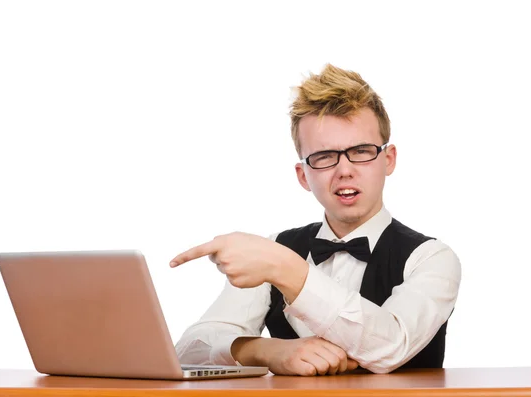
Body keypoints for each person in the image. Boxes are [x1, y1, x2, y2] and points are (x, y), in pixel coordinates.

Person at [169, 64, 461, 376]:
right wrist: (266, 350)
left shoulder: (432, 259)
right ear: (303, 175)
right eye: (324, 157)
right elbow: (189, 349)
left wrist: (285, 270)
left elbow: (390, 346)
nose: (345, 170)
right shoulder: (277, 247)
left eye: (361, 151)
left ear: (388, 160)